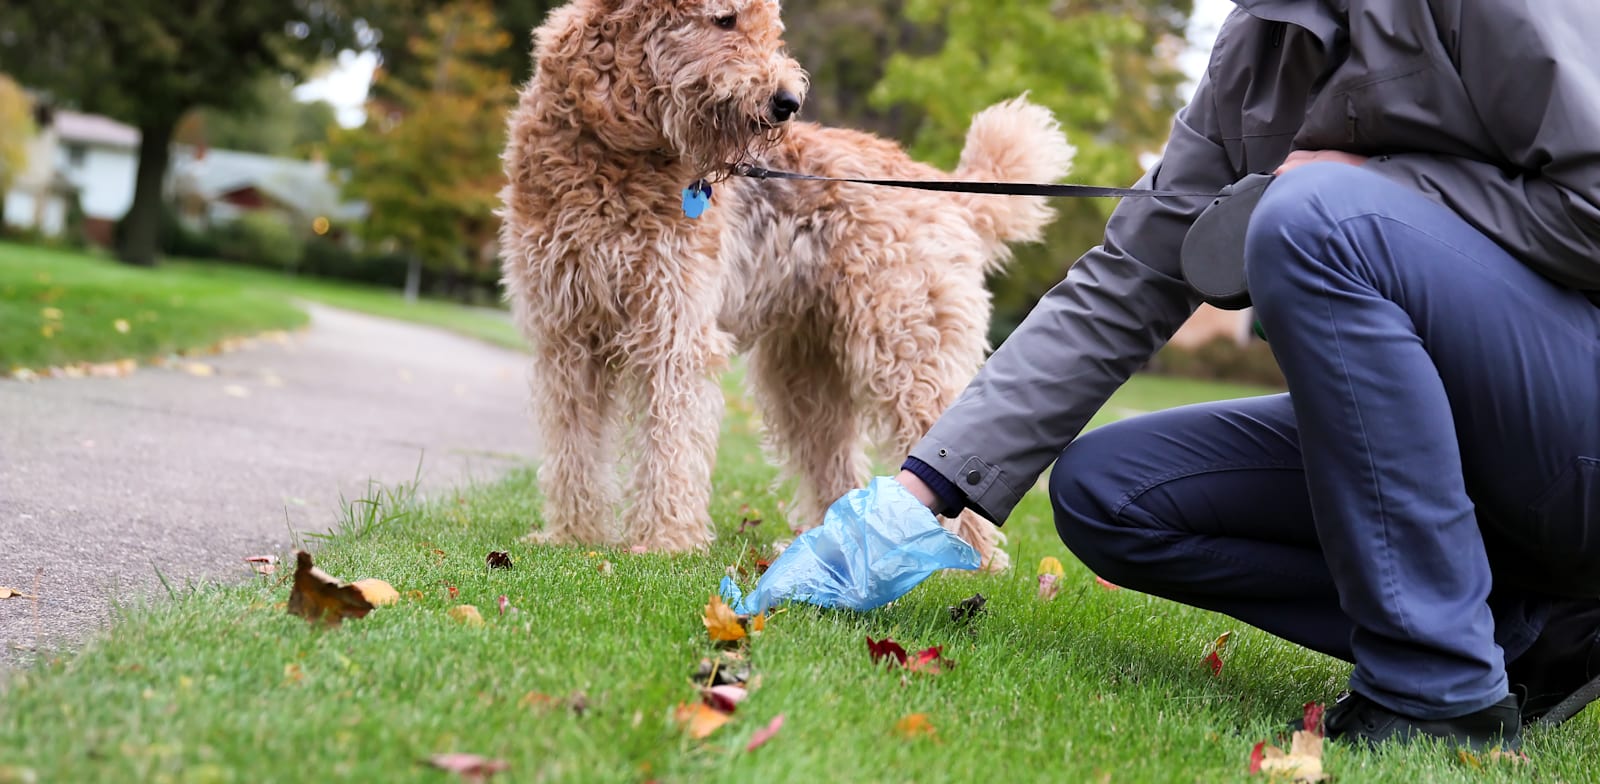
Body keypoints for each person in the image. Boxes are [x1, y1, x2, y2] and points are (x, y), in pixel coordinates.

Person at [878, 0, 1600, 750]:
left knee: (1316, 216)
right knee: (1109, 492)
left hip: (1574, 433)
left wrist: (1383, 185)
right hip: (1475, 451)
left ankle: (1437, 692)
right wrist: (918, 493)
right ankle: (1532, 632)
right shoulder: (1258, 44)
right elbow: (1132, 274)